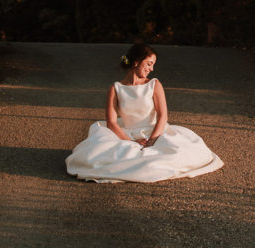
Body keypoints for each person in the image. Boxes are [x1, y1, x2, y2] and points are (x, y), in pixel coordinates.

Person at [65, 43, 224, 182]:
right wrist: (131, 141)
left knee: (176, 153)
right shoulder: (116, 88)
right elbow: (112, 123)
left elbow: (163, 116)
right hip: (126, 133)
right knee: (99, 156)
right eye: (148, 63)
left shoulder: (154, 84)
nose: (151, 68)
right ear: (136, 62)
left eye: (153, 64)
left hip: (155, 131)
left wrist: (152, 140)